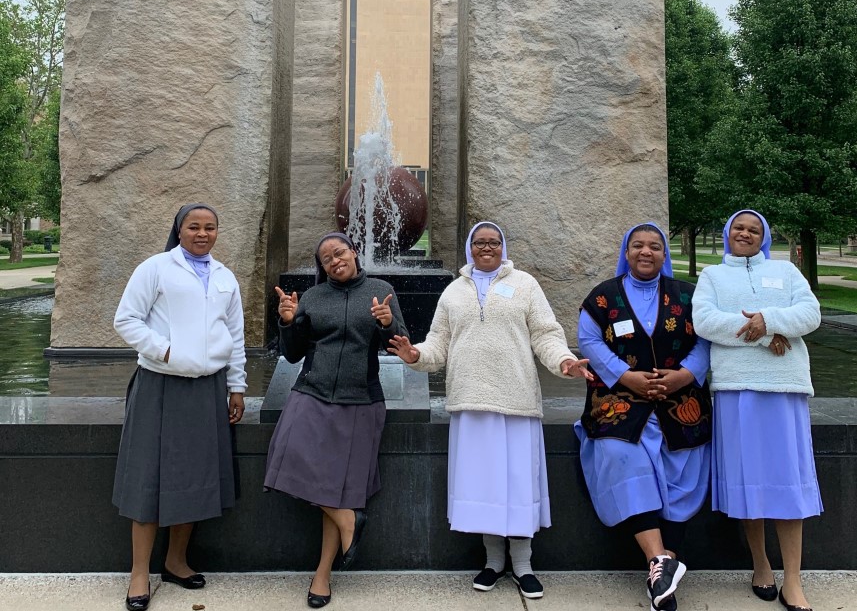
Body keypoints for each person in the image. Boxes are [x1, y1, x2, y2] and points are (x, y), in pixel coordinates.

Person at [388, 221, 592, 599]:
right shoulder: (452, 292)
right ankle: (493, 562)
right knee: (484, 484)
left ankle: (524, 563)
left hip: (516, 401)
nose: (487, 247)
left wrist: (564, 360)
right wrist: (415, 355)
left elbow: (545, 334)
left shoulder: (526, 285)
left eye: (493, 242)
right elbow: (438, 345)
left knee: (517, 483)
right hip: (471, 401)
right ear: (470, 248)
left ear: (503, 246)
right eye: (480, 242)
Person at [113, 203, 246, 611]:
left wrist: (237, 386)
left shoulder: (225, 277)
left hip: (208, 388)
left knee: (194, 477)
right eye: (193, 227)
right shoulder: (155, 268)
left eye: (209, 228)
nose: (202, 234)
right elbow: (126, 319)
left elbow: (235, 334)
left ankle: (175, 561)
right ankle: (139, 573)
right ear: (179, 229)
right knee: (148, 478)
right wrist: (165, 351)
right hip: (161, 384)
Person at [264, 232, 407, 608]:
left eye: (339, 252)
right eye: (326, 258)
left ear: (354, 252)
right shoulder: (311, 297)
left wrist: (388, 322)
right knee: (285, 454)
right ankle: (348, 520)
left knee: (337, 487)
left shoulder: (380, 289)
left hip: (360, 400)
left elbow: (401, 343)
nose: (334, 260)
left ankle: (322, 575)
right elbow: (293, 355)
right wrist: (289, 322)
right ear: (322, 266)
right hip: (311, 392)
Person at [575, 223, 712, 611]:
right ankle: (659, 560)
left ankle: (663, 566)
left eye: (655, 246)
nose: (646, 252)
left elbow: (705, 341)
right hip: (620, 398)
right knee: (620, 455)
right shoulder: (603, 298)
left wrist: (684, 375)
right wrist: (626, 377)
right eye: (638, 245)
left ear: (664, 254)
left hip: (680, 399)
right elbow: (588, 341)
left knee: (685, 456)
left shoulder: (688, 295)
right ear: (627, 251)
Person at [692, 210, 822, 611]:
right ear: (727, 233)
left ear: (763, 236)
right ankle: (761, 564)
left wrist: (769, 319)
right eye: (738, 228)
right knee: (750, 483)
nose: (745, 234)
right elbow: (705, 321)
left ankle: (794, 580)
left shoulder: (786, 274)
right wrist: (765, 336)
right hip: (736, 389)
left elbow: (810, 314)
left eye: (753, 229)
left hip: (784, 390)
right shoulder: (712, 277)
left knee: (787, 485)